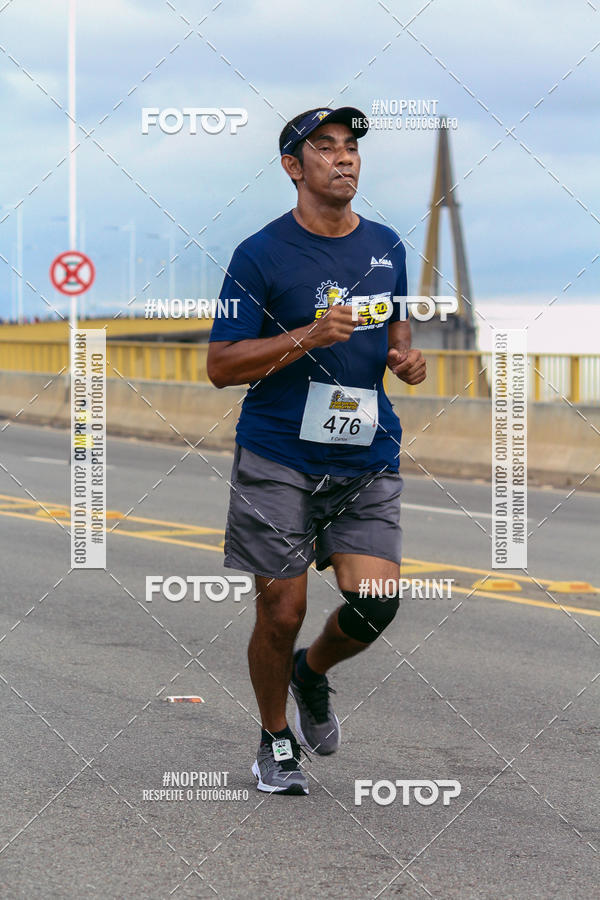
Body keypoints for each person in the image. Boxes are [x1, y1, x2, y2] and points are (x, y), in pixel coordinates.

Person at [207, 106, 426, 795]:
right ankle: (275, 739)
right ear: (293, 168)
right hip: (278, 453)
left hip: (363, 451)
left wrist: (403, 359)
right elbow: (221, 365)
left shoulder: (387, 245)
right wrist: (304, 335)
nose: (345, 158)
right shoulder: (261, 254)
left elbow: (397, 332)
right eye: (325, 148)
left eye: (351, 148)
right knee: (282, 609)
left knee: (377, 601)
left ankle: (313, 673)